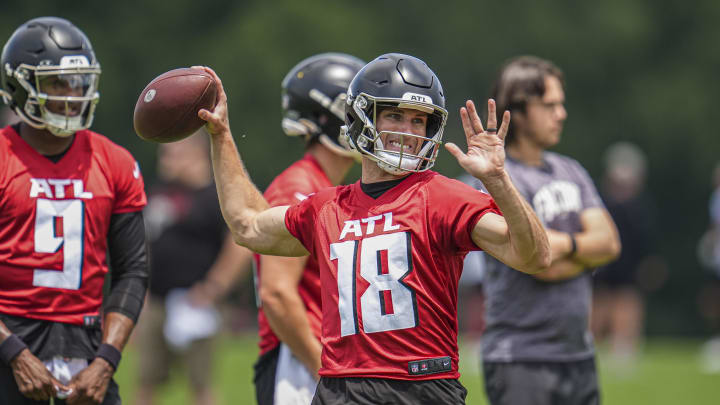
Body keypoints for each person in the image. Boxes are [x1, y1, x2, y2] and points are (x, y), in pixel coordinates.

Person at [197, 53, 551, 404]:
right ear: (361, 116)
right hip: (340, 389)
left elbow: (534, 256)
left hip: (421, 386)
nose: (409, 132)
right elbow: (247, 225)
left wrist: (498, 180)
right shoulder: (326, 207)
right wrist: (221, 134)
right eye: (395, 116)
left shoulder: (441, 196)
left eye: (418, 121)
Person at [0, 17, 148, 404]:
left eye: (78, 82)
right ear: (20, 85)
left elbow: (132, 270)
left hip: (86, 348)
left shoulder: (113, 161)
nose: (72, 94)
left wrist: (107, 360)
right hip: (8, 341)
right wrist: (12, 351)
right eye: (56, 83)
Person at [470, 55, 621, 405]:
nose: (561, 114)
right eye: (550, 105)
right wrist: (582, 252)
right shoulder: (497, 181)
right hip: (519, 359)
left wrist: (563, 244)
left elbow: (610, 243)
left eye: (561, 104)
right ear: (518, 111)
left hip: (578, 355)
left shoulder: (571, 170)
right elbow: (540, 264)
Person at [253, 53, 365, 405]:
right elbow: (277, 293)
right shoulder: (298, 189)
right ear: (325, 116)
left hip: (327, 358)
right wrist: (324, 370)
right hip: (300, 362)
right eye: (357, 112)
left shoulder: (330, 187)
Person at [134, 133, 252, 405]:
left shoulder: (215, 197)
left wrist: (214, 287)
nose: (164, 161)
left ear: (195, 154)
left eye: (172, 154)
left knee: (201, 384)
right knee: (146, 381)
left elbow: (240, 247)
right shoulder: (160, 193)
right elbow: (146, 244)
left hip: (197, 304)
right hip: (158, 300)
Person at [592, 142, 662, 369]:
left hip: (629, 266)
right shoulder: (602, 203)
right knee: (599, 302)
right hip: (604, 262)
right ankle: (593, 344)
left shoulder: (640, 208)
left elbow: (646, 243)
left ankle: (624, 347)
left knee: (627, 301)